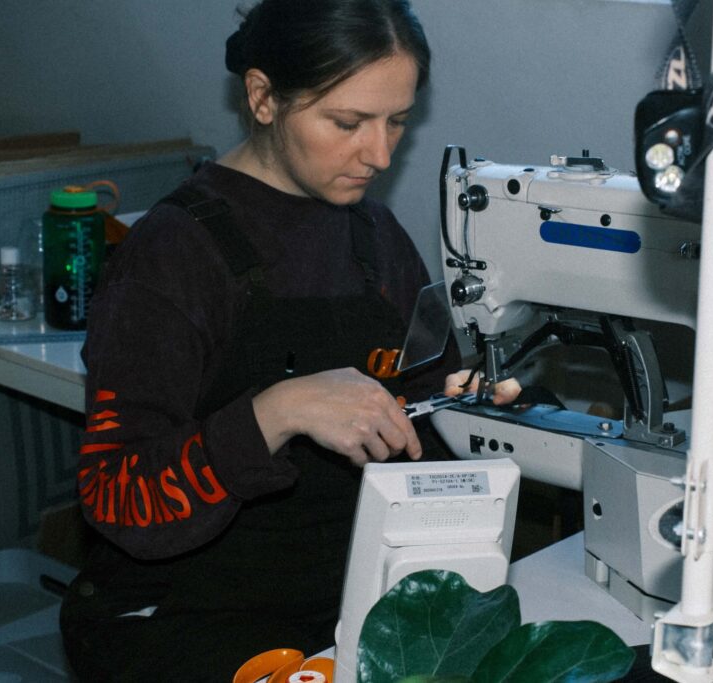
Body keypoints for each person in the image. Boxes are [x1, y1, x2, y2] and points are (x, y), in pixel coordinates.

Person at [59, 1, 517, 680]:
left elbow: (423, 407)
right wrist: (275, 413)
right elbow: (115, 495)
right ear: (263, 97)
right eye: (348, 123)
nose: (380, 154)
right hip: (185, 617)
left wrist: (472, 410)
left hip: (343, 600)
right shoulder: (172, 255)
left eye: (397, 122)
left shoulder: (377, 238)